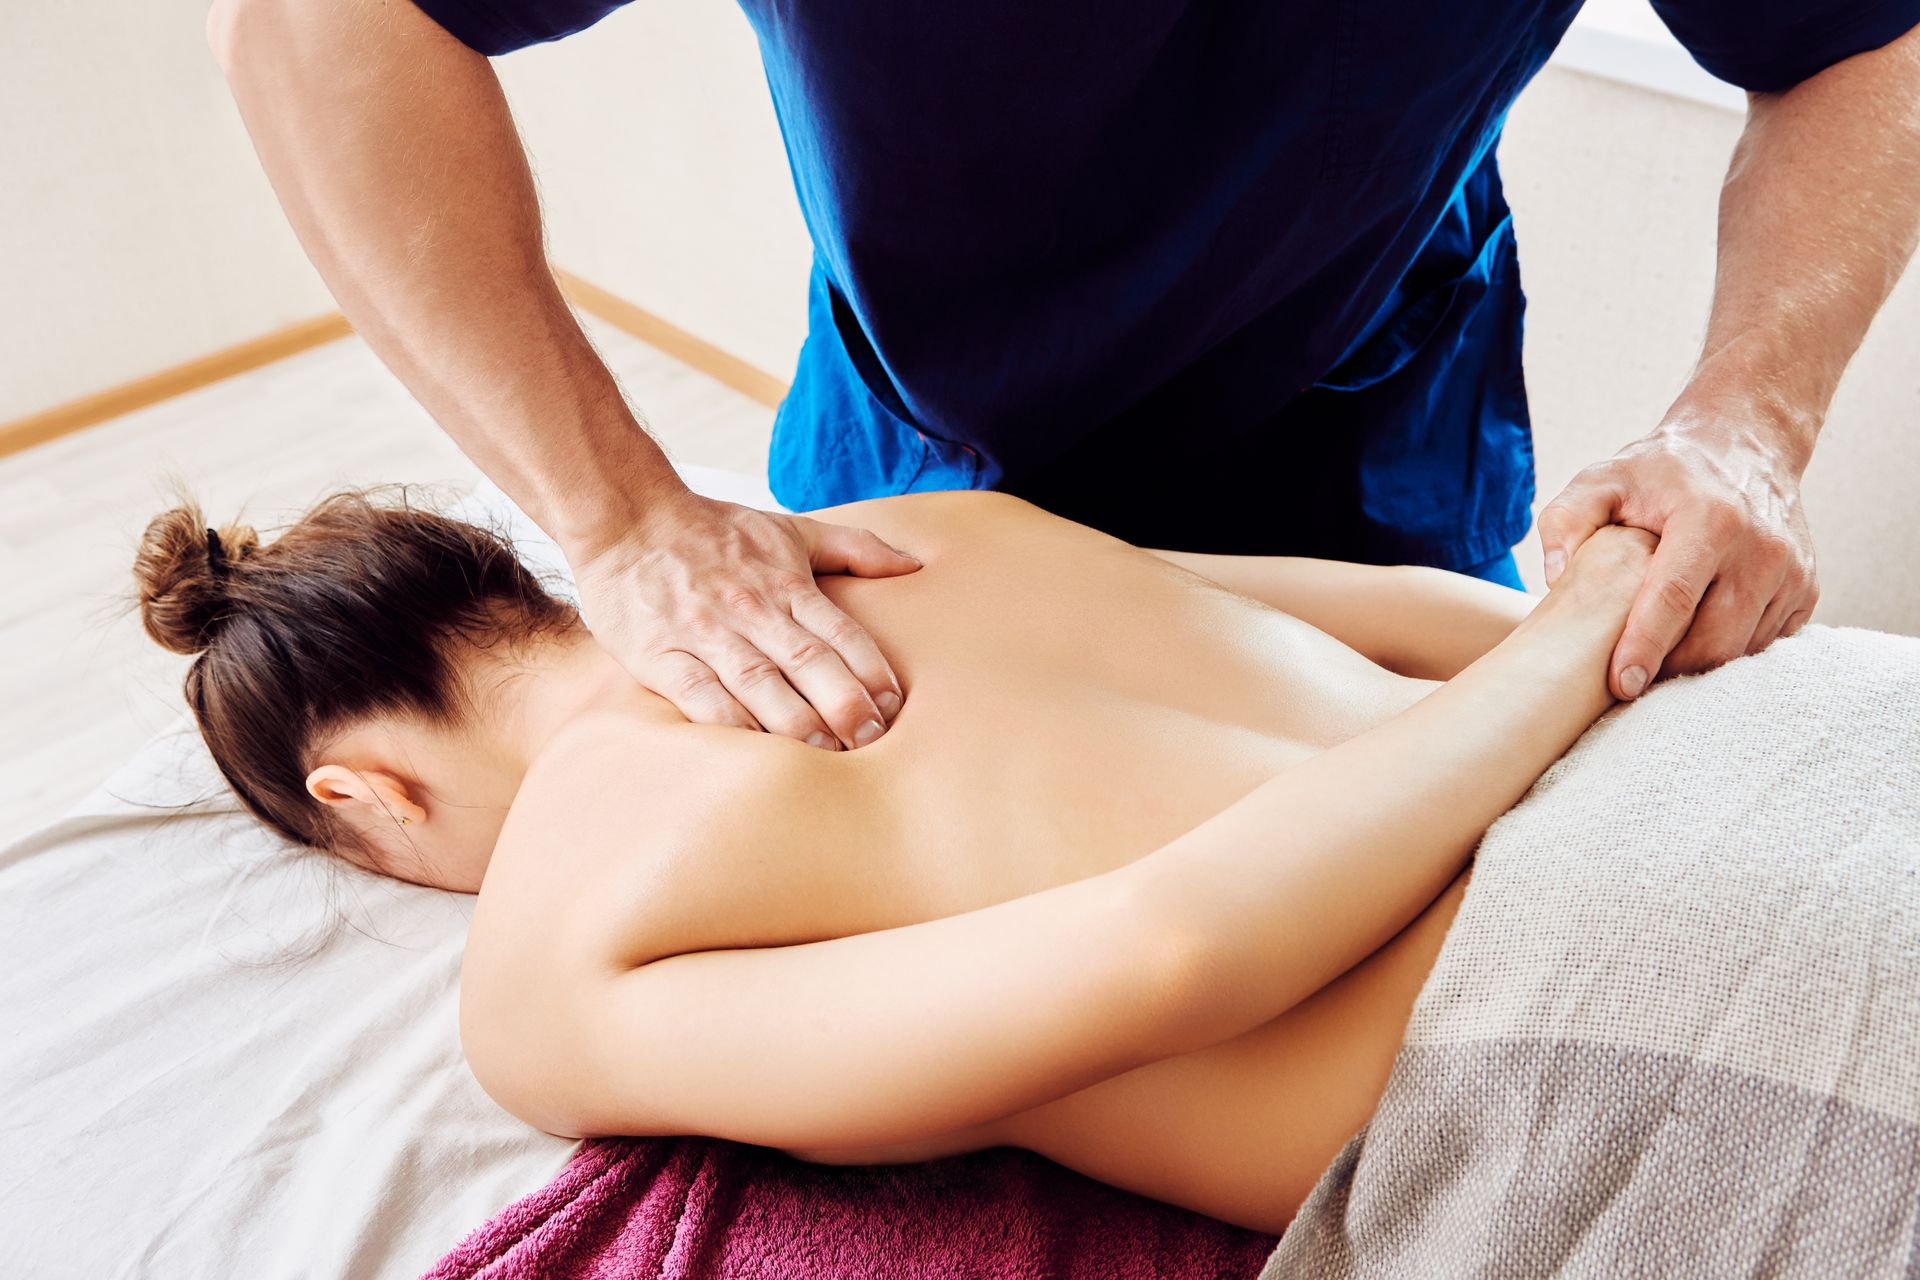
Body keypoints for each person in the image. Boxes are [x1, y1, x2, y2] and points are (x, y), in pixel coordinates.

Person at [207, 0, 1920, 748]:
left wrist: (1750, 424)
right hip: (923, 472)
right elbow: (315, 19)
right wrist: (624, 520)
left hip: (1367, 436)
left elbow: (1869, 36)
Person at [135, 484, 1670, 1231]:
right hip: (1706, 771)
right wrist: (1590, 631)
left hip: (1619, 1046)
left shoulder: (542, 970)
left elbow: (1173, 953)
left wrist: (1542, 685)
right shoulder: (891, 535)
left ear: (369, 797)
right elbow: (1434, 609)